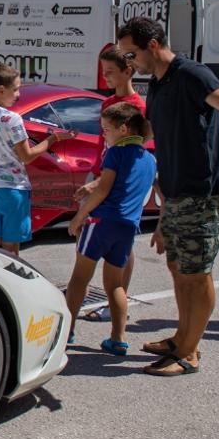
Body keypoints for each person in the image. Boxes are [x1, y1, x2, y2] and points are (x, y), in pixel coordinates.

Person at [114, 16, 219, 377]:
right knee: (178, 266)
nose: (129, 62)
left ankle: (189, 352)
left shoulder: (190, 74)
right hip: (178, 190)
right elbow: (159, 129)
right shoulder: (158, 84)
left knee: (196, 272)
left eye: (131, 54)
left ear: (152, 45)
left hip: (202, 190)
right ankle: (182, 337)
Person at [64, 102, 156, 355]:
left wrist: (79, 217)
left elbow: (104, 188)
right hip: (127, 227)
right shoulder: (149, 159)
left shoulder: (115, 154)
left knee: (79, 280)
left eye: (106, 130)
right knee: (115, 285)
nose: (103, 134)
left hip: (101, 222)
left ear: (123, 129)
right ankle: (118, 338)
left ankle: (67, 331)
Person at [0, 62, 72, 256]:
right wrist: (52, 139)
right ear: (1, 90)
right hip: (13, 191)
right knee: (11, 251)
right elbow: (27, 157)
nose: (18, 94)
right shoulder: (12, 119)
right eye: (16, 89)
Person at [73, 47, 149, 322]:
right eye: (103, 72)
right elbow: (103, 143)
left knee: (121, 243)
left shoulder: (136, 107)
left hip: (114, 179)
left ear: (128, 72)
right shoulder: (108, 104)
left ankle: (117, 304)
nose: (105, 78)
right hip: (100, 171)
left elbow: (135, 151)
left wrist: (100, 183)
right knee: (92, 240)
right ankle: (111, 303)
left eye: (110, 73)